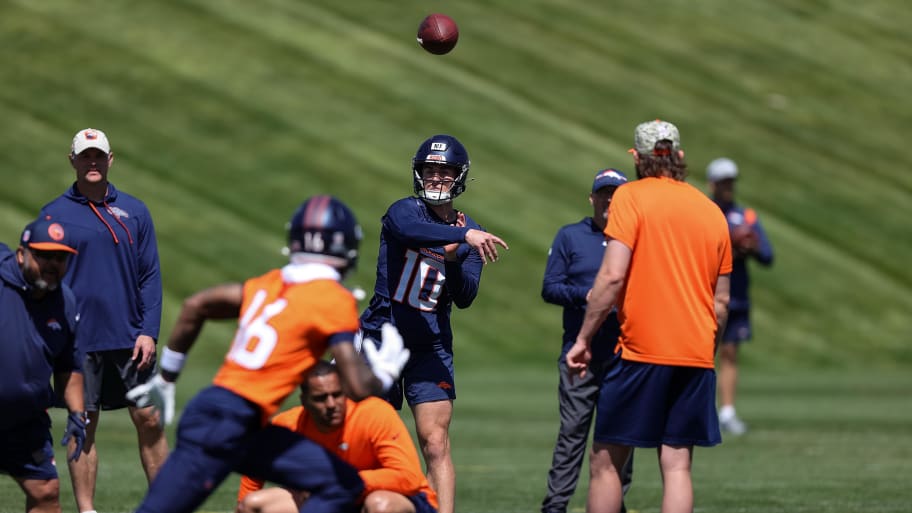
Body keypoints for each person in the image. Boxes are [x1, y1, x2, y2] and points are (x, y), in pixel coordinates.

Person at [127, 195, 411, 513]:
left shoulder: (270, 283)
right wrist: (382, 375)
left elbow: (197, 305)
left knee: (338, 482)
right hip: (231, 424)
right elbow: (357, 388)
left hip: (217, 415)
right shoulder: (334, 298)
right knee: (341, 484)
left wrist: (167, 377)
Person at [566, 120, 732, 513]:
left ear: (638, 158)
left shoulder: (630, 197)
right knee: (677, 465)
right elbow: (721, 302)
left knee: (606, 461)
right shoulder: (711, 212)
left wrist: (584, 338)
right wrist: (706, 349)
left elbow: (611, 275)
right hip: (694, 354)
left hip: (642, 350)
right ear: (679, 157)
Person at [359, 134, 509, 513]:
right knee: (368, 436)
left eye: (444, 172)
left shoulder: (470, 232)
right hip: (382, 336)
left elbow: (466, 296)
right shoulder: (404, 212)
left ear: (458, 178)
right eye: (430, 170)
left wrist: (457, 259)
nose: (436, 178)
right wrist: (463, 236)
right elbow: (411, 232)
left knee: (436, 441)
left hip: (430, 344)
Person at [38, 128, 167, 513]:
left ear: (110, 160)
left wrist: (149, 332)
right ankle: (87, 510)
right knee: (83, 424)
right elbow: (42, 280)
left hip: (130, 339)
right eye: (85, 156)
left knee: (150, 420)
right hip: (78, 341)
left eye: (98, 156)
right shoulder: (54, 214)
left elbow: (151, 277)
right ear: (72, 161)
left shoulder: (136, 211)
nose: (92, 162)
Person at [540, 169, 634, 513]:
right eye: (604, 193)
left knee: (622, 436)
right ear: (592, 198)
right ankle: (555, 506)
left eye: (617, 194)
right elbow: (550, 288)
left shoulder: (636, 237)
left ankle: (615, 503)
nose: (610, 200)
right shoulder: (571, 236)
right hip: (580, 354)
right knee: (572, 434)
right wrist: (589, 295)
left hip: (624, 354)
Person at [236, 360, 438, 513]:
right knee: (253, 505)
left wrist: (340, 482)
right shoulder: (288, 424)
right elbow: (253, 473)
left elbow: (409, 478)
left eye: (337, 394)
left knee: (379, 505)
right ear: (304, 401)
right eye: (321, 398)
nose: (332, 404)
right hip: (332, 499)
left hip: (398, 500)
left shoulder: (375, 413)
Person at [1, 218, 86, 513]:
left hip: (25, 423)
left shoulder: (65, 302)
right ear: (22, 254)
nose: (52, 264)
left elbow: (69, 365)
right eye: (44, 256)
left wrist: (77, 414)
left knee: (46, 491)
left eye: (60, 258)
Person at [705, 158, 774, 435]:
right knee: (702, 354)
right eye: (723, 182)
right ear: (712, 184)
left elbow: (768, 256)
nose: (728, 187)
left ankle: (728, 410)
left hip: (737, 295)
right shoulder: (706, 213)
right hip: (708, 294)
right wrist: (729, 246)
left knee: (731, 353)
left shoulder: (745, 216)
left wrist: (751, 246)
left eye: (731, 182)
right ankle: (700, 409)